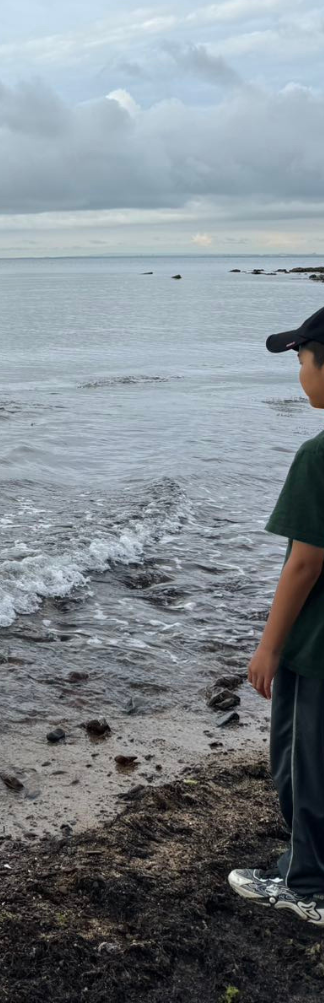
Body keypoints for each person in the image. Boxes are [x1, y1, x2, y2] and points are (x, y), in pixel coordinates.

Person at [228, 305, 324, 927]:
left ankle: (308, 886)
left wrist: (269, 647)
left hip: (315, 648)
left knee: (303, 766)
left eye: (301, 359)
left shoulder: (318, 456)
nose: (299, 374)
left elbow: (305, 563)